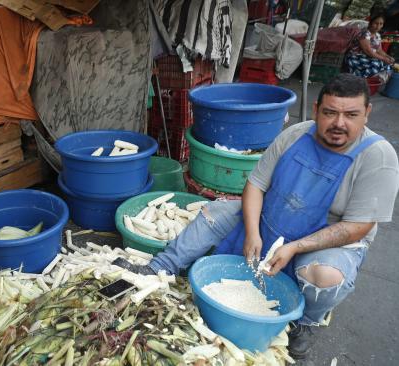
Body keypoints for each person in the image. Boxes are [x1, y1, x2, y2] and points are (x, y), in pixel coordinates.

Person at [114, 73, 399, 359]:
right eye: (330, 113)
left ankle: (306, 322)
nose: (339, 123)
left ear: (367, 114)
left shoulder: (378, 157)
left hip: (326, 240)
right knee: (213, 212)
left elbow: (358, 226)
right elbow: (256, 185)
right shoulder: (295, 134)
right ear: (316, 111)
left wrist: (296, 247)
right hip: (274, 215)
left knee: (324, 276)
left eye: (351, 115)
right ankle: (160, 267)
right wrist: (252, 232)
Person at [346, 14, 395, 78]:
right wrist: (383, 58)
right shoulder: (364, 33)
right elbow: (368, 51)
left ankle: (364, 79)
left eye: (381, 24)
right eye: (376, 23)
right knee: (377, 64)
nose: (378, 26)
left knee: (388, 65)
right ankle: (355, 78)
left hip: (367, 58)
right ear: (371, 23)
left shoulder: (377, 35)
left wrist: (388, 57)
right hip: (355, 57)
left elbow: (379, 50)